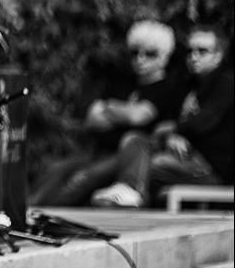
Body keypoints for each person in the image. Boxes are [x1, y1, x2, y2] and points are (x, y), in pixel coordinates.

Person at [29, 20, 186, 207]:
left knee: (80, 179)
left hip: (130, 157)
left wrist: (110, 108)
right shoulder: (123, 82)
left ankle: (45, 216)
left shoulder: (168, 88)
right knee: (55, 170)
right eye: (135, 52)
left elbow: (138, 116)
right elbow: (92, 119)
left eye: (150, 54)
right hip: (101, 151)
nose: (140, 59)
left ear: (164, 57)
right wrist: (125, 111)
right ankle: (26, 212)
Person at [91, 25, 233, 207]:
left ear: (218, 55)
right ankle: (129, 192)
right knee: (136, 139)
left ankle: (131, 191)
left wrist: (171, 130)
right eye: (189, 51)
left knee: (146, 164)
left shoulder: (225, 83)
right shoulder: (189, 83)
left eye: (202, 51)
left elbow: (202, 123)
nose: (193, 57)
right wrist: (173, 134)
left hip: (207, 167)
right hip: (183, 157)